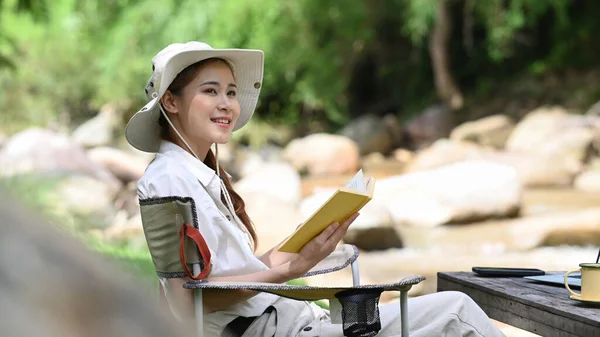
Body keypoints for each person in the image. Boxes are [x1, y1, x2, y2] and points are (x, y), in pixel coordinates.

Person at [126, 41, 506, 337]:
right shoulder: (170, 179)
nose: (227, 104)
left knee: (451, 311)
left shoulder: (194, 173)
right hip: (269, 329)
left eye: (230, 92)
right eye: (211, 91)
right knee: (456, 310)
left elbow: (236, 273)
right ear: (171, 102)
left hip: (286, 320)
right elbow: (189, 298)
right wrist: (296, 268)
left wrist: (302, 245)